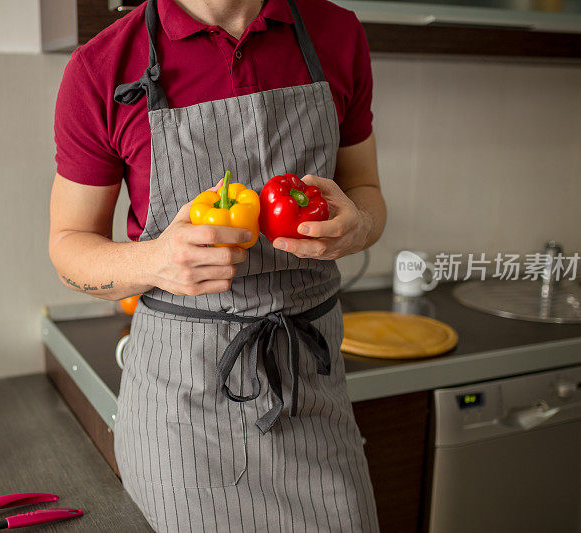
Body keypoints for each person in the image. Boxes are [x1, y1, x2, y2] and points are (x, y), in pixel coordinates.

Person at [49, 0, 386, 530]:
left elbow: (365, 190)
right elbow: (69, 249)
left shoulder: (334, 33)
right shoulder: (103, 65)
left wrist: (360, 226)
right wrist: (156, 260)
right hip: (184, 416)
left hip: (313, 395)